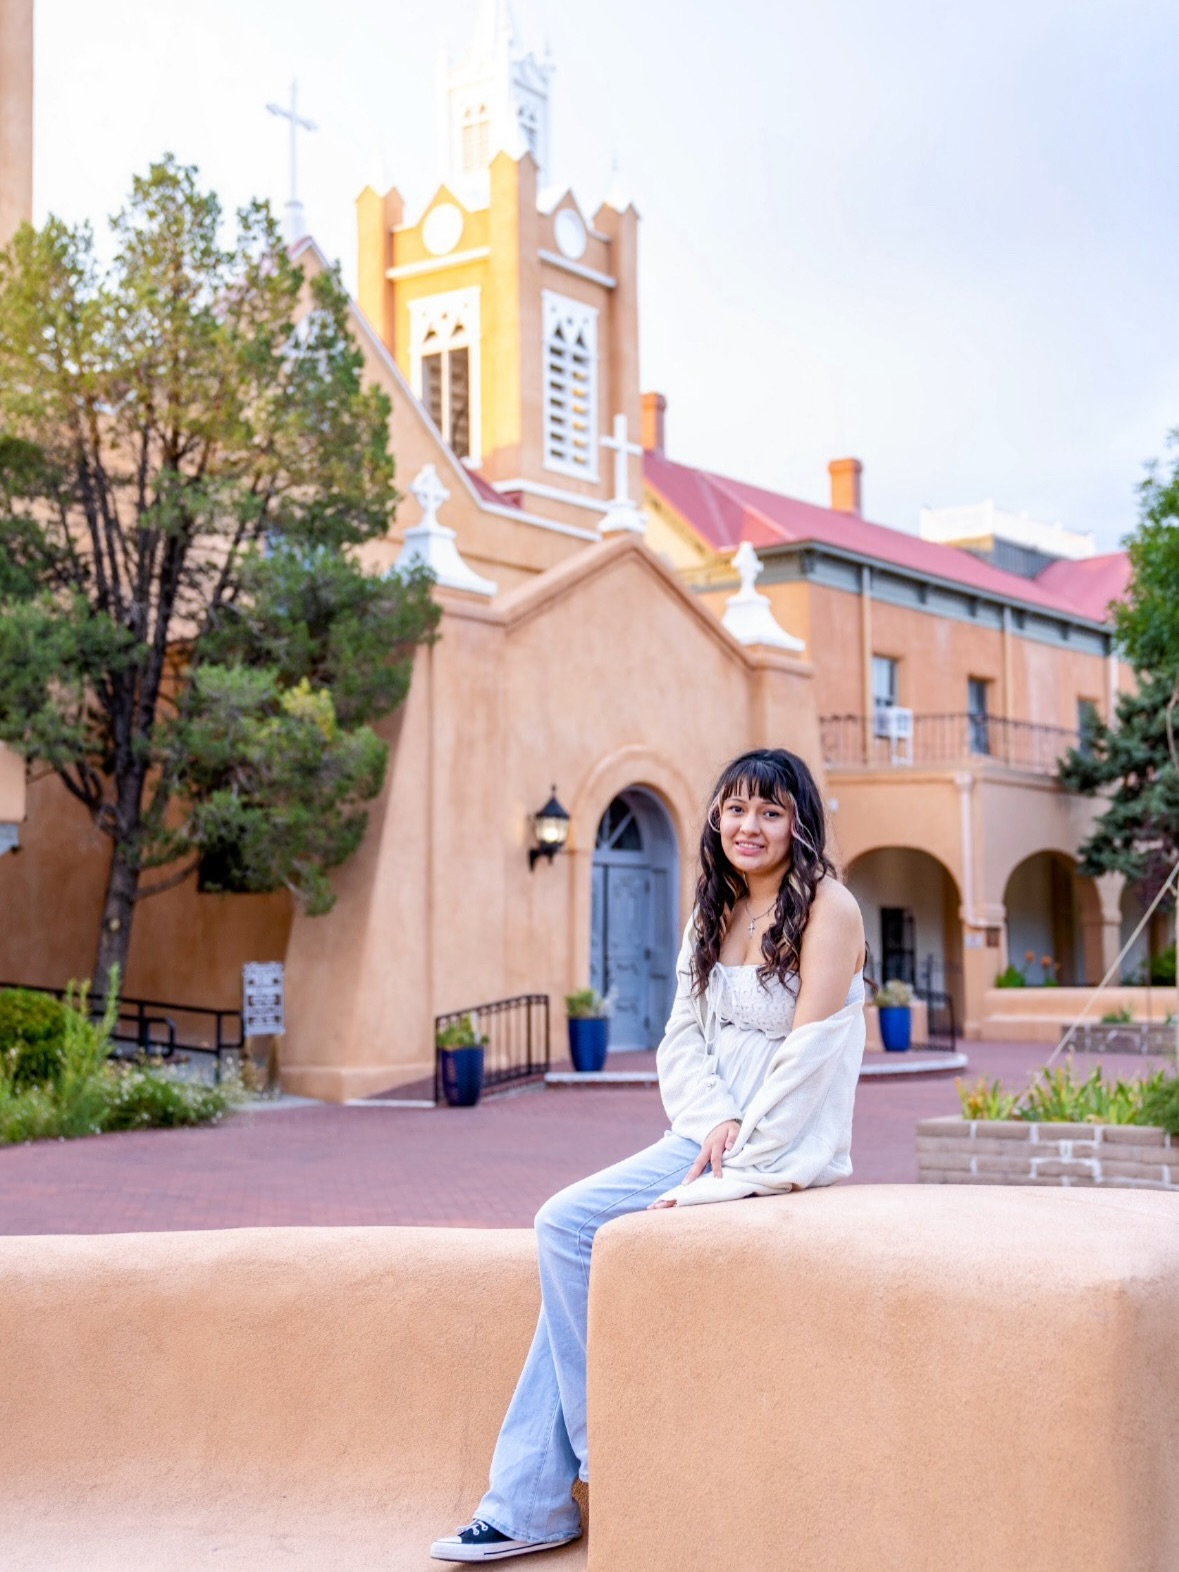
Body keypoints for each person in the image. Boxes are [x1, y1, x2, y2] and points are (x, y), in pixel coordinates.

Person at [430, 747, 866, 1563]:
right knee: (569, 1236)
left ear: (798, 823)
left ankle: (562, 1482)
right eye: (735, 808)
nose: (749, 825)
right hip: (703, 1135)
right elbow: (680, 1040)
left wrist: (740, 1158)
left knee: (566, 1226)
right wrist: (708, 1123)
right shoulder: (712, 909)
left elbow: (810, 1052)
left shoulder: (828, 909)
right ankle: (535, 1497)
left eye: (770, 812)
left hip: (780, 1141)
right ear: (715, 817)